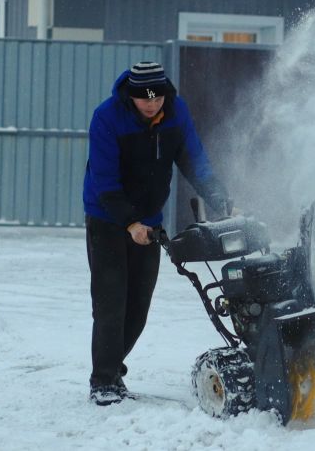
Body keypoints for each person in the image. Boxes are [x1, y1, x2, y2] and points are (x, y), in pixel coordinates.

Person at [82, 62, 230, 406]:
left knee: (138, 306)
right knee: (110, 303)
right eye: (144, 100)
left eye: (157, 98)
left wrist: (220, 200)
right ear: (131, 96)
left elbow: (195, 160)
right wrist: (130, 223)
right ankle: (103, 381)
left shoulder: (176, 113)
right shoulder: (107, 117)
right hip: (107, 218)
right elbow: (104, 181)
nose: (151, 105)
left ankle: (112, 369)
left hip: (149, 220)